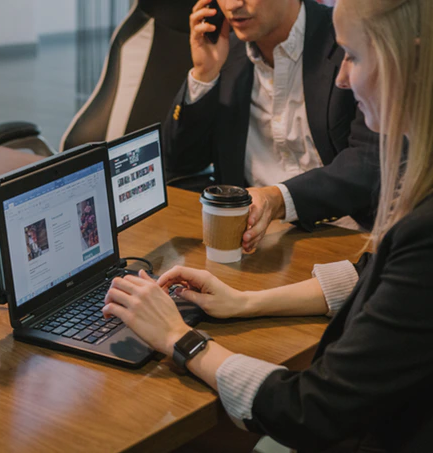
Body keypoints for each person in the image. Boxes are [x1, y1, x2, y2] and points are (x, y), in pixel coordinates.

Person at [106, 0, 433, 450]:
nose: (342, 76)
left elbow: (313, 410)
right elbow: (374, 273)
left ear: (410, 61)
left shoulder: (422, 228)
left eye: (353, 58)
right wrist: (245, 302)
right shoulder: (227, 52)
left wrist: (180, 338)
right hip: (262, 262)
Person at [164, 0, 380, 252]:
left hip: (349, 237)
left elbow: (370, 161)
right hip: (254, 243)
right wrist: (204, 74)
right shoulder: (223, 54)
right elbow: (179, 166)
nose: (232, 5)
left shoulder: (349, 40)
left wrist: (278, 199)